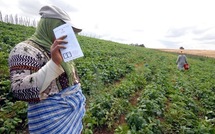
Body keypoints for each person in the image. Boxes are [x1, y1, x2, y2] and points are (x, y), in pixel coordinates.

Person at [8, 5, 86, 134]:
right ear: (51, 26)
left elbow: (72, 78)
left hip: (71, 114)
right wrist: (54, 63)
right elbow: (19, 90)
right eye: (63, 29)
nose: (68, 35)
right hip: (51, 120)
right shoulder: (24, 50)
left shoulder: (62, 49)